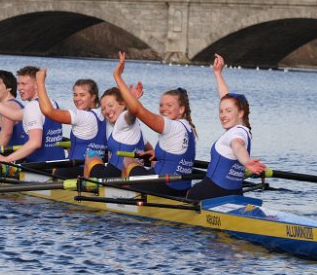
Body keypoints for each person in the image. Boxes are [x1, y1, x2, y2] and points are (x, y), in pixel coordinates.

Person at [113, 51, 196, 197]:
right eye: (162, 105)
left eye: (169, 105)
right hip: (181, 188)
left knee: (127, 160)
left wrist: (117, 77)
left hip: (163, 186)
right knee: (151, 164)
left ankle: (124, 201)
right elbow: (176, 152)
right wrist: (156, 152)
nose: (163, 109)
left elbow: (137, 110)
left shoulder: (171, 126)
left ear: (181, 109)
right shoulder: (189, 127)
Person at [186, 54, 267, 200]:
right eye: (221, 111)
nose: (223, 115)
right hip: (234, 194)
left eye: (228, 112)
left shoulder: (236, 134)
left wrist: (247, 162)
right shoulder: (244, 130)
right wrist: (218, 73)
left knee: (189, 193)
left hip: (211, 191)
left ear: (240, 113)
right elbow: (227, 100)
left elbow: (237, 146)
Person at [0, 66, 64, 163]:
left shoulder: (32, 107)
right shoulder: (51, 102)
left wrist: (6, 159)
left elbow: (35, 143)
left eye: (24, 84)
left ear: (36, 85)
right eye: (18, 84)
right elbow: (14, 114)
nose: (19, 88)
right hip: (58, 162)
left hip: (39, 166)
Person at [36, 69, 107, 177]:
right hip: (93, 170)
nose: (77, 99)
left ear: (93, 97)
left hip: (75, 171)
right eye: (75, 95)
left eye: (82, 95)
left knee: (51, 169)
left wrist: (40, 82)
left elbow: (48, 111)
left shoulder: (83, 116)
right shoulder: (104, 113)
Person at [85, 86, 153, 178]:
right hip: (131, 175)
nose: (107, 111)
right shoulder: (137, 129)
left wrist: (132, 103)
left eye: (110, 105)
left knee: (90, 155)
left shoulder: (123, 119)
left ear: (123, 104)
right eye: (103, 109)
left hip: (112, 176)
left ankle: (85, 187)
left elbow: (130, 115)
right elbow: (150, 150)